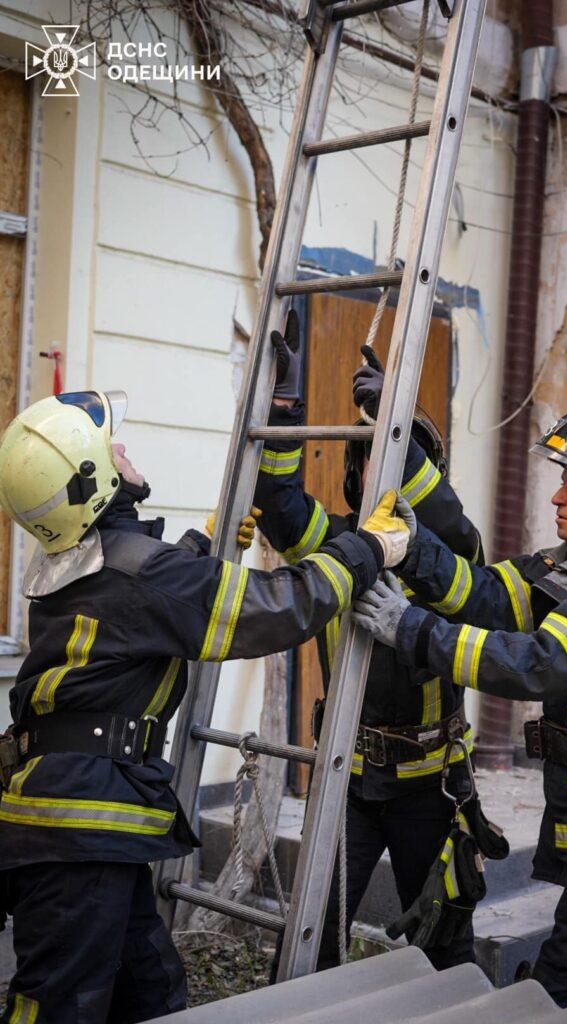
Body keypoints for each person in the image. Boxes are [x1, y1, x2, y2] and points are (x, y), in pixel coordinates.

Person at [0, 387, 413, 1024]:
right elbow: (280, 607)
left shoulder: (72, 563)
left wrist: (205, 543)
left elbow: (140, 607)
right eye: (113, 447)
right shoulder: (141, 576)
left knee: (151, 990)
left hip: (81, 820)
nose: (125, 449)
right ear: (93, 480)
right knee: (60, 1006)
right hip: (82, 829)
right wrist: (369, 549)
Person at [352, 405, 567, 1023]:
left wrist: (410, 630)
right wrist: (412, 547)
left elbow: (538, 662)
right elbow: (489, 596)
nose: (558, 496)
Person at [255, 312, 504, 972]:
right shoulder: (341, 543)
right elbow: (280, 510)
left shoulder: (454, 555)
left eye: (395, 468)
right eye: (370, 467)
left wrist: (396, 417)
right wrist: (284, 408)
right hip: (349, 782)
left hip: (431, 789)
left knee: (446, 944)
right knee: (312, 936)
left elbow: (448, 532)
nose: (378, 483)